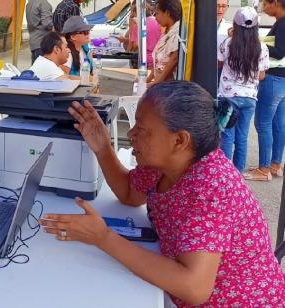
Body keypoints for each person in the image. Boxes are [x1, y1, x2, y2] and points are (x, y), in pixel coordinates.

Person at [40, 81, 285, 307]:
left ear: (179, 140)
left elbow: (194, 287)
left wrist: (103, 237)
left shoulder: (211, 186)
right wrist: (103, 147)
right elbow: (129, 193)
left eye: (142, 130)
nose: (131, 134)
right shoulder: (164, 165)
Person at [219, 7, 269, 173]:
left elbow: (218, 63)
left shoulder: (228, 43)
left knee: (226, 136)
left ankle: (226, 174)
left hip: (227, 97)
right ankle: (237, 174)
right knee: (242, 137)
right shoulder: (262, 48)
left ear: (235, 24)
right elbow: (261, 75)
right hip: (249, 98)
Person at [245, 0, 285, 180]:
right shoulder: (280, 22)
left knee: (263, 123)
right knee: (278, 123)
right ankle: (275, 164)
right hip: (282, 79)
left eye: (265, 3)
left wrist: (257, 43)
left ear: (275, 2)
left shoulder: (283, 23)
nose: (264, 7)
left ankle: (264, 169)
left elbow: (279, 51)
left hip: (273, 78)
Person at [117, 1, 162, 69]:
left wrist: (131, 27)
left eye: (132, 11)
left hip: (143, 61)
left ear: (136, 12)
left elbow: (134, 47)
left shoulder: (138, 25)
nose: (131, 14)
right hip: (156, 60)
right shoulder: (157, 21)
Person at [147, 0, 181, 87]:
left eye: (157, 13)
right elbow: (158, 62)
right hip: (161, 85)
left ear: (167, 13)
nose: (155, 17)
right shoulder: (166, 32)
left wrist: (156, 83)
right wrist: (149, 79)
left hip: (168, 87)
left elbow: (174, 59)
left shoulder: (177, 31)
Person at [26, 0, 54, 64]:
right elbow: (47, 23)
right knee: (43, 71)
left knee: (35, 71)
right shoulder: (43, 3)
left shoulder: (29, 4)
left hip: (33, 41)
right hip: (43, 42)